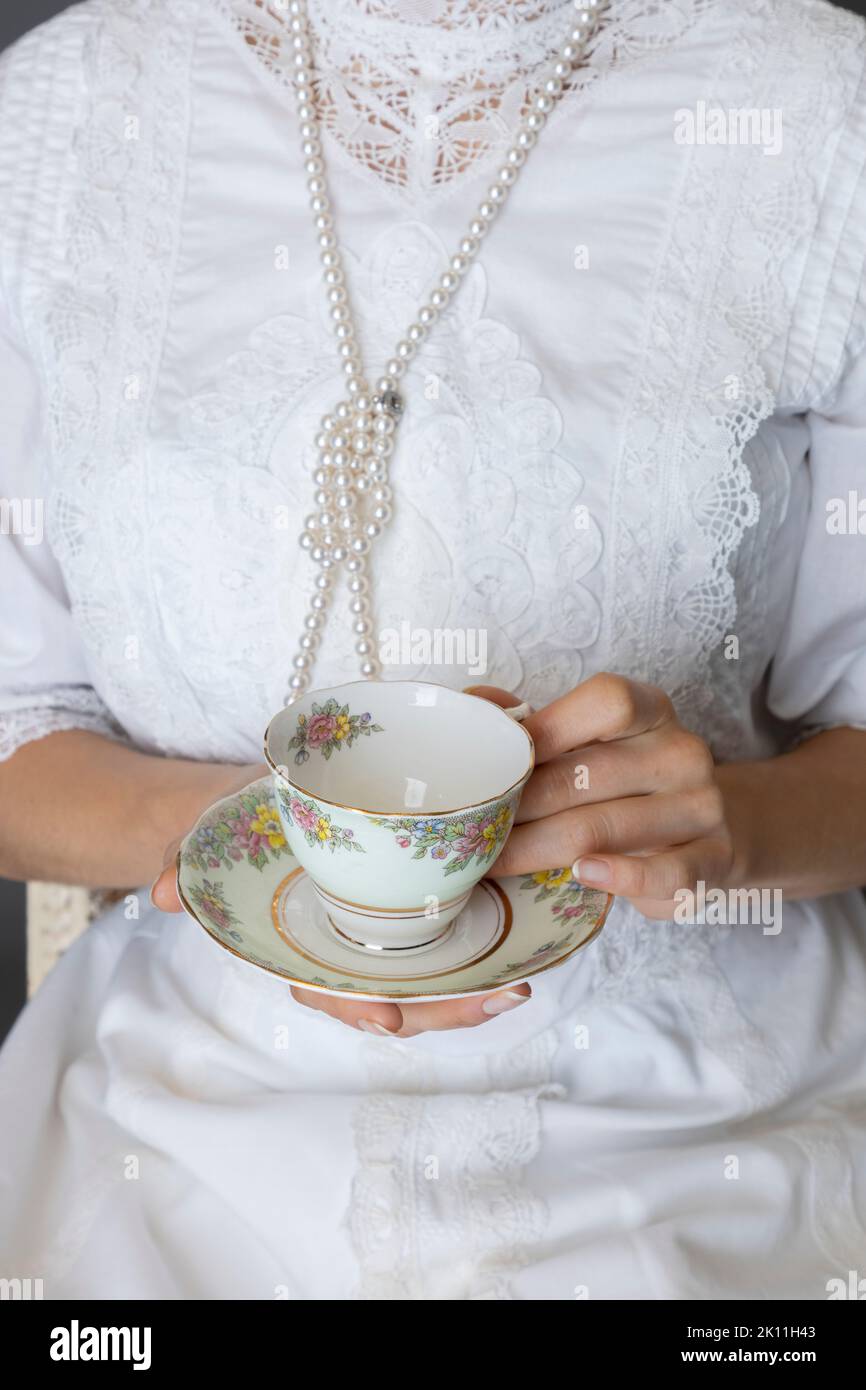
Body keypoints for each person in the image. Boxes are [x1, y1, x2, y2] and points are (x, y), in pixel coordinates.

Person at [0, 0, 865, 1299]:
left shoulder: (815, 103)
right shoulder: (58, 114)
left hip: (703, 1132)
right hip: (174, 1118)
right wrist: (255, 853)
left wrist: (733, 824)